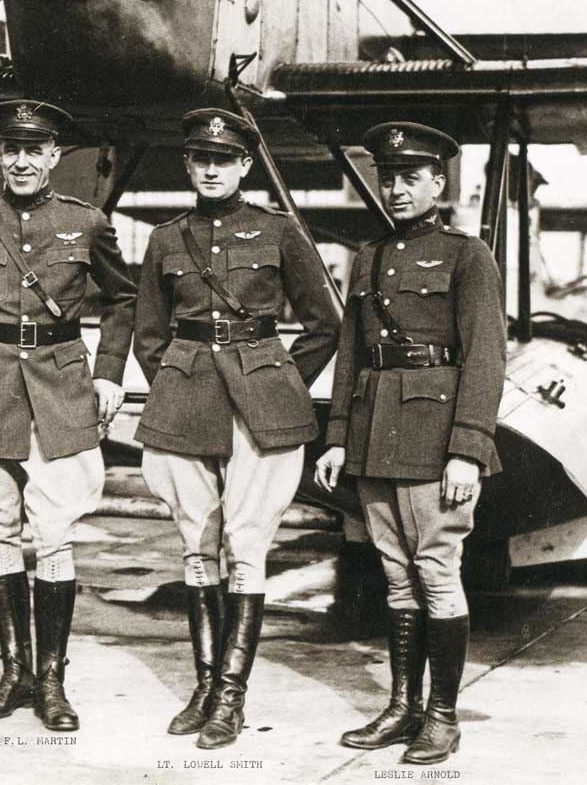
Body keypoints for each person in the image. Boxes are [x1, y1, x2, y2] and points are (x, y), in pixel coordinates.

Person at [133, 108, 340, 749]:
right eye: (201, 159)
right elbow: (148, 332)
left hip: (261, 402)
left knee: (247, 543)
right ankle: (203, 684)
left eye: (225, 159)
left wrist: (276, 382)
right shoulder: (167, 238)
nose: (213, 168)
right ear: (189, 166)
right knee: (197, 542)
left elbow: (324, 324)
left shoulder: (278, 232)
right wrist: (175, 380)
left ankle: (230, 696)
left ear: (245, 165)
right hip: (186, 399)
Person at [0, 99, 136, 732]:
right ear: (0, 155)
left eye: (33, 150)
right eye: (10, 149)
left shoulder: (87, 222)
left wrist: (106, 374)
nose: (20, 160)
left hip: (60, 384)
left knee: (54, 529)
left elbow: (124, 299)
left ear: (52, 157)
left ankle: (51, 680)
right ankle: (12, 671)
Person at [315, 121, 506, 766]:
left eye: (410, 178)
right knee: (396, 576)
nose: (395, 189)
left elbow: (485, 357)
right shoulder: (369, 258)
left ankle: (443, 717)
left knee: (437, 574)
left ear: (438, 183)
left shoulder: (467, 254)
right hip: (374, 432)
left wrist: (468, 448)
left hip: (434, 436)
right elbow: (350, 354)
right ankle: (402, 706)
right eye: (387, 177)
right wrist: (338, 437)